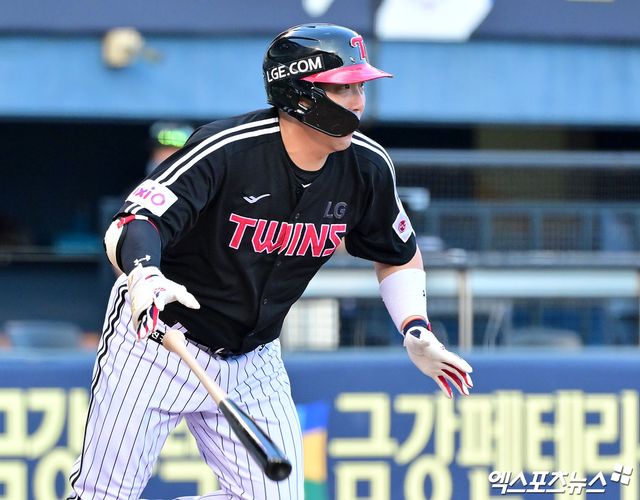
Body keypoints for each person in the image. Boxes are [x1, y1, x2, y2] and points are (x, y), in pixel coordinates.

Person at [67, 23, 473, 500]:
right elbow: (133, 222)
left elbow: (398, 253)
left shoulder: (366, 166)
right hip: (159, 339)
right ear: (300, 94)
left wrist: (415, 326)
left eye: (360, 87)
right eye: (344, 88)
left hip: (254, 356)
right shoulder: (226, 149)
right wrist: (143, 273)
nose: (359, 102)